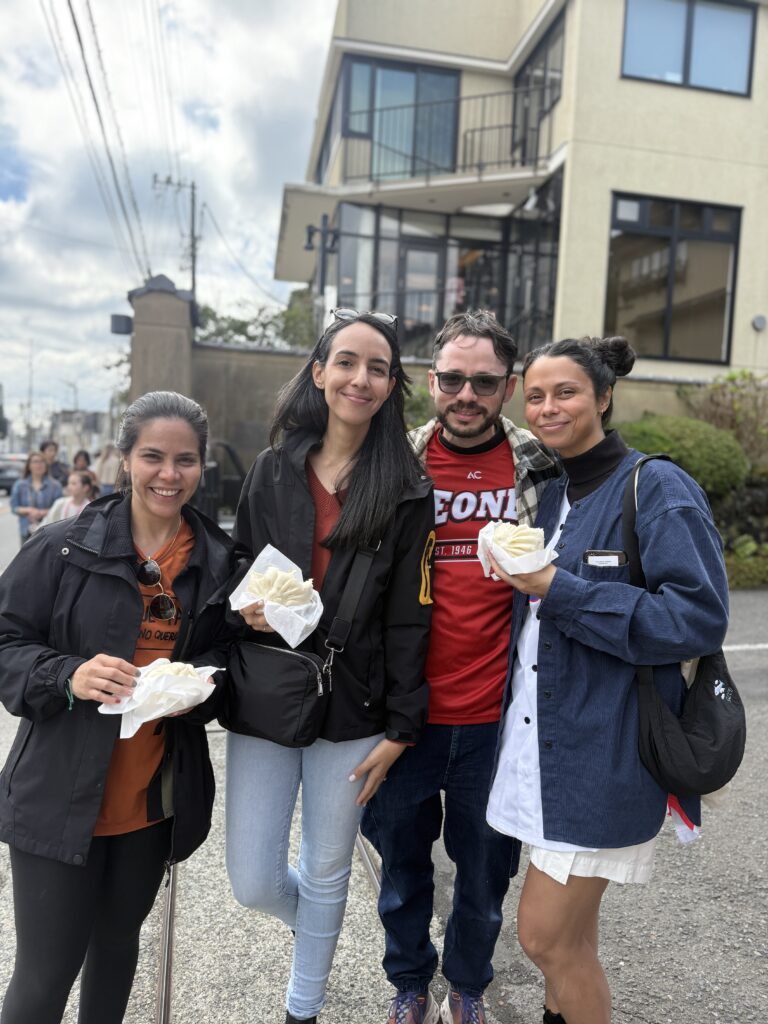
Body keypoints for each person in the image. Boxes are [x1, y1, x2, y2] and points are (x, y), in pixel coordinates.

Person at [485, 337, 729, 1024]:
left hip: (607, 756)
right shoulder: (556, 495)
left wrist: (555, 589)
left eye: (565, 392)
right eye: (535, 395)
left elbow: (697, 619)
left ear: (603, 395)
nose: (548, 406)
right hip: (543, 752)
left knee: (541, 935)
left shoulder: (656, 487)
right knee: (570, 940)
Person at [225, 308, 435, 1024]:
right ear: (319, 373)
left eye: (378, 367)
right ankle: (315, 926)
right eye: (347, 362)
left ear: (390, 385)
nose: (361, 378)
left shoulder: (406, 488)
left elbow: (411, 616)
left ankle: (302, 1005)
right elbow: (239, 574)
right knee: (253, 879)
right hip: (269, 693)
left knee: (326, 868)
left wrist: (405, 726)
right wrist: (240, 611)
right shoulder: (272, 470)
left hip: (356, 704)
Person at [0, 391, 235, 1024]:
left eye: (185, 460)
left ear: (202, 467)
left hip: (150, 808)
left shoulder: (216, 566)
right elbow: (6, 645)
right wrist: (67, 673)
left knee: (116, 955)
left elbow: (225, 669)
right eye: (153, 456)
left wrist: (208, 681)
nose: (168, 474)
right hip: (57, 800)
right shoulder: (62, 548)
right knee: (44, 976)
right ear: (124, 458)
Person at [361, 310, 561, 1024]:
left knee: (484, 876)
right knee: (402, 868)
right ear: (430, 381)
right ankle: (410, 981)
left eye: (483, 382)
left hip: (496, 721)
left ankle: (467, 987)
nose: (466, 395)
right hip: (405, 716)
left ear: (507, 386)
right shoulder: (395, 461)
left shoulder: (542, 464)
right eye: (452, 379)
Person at [9, 450, 63, 543]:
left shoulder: (55, 485)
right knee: (26, 557)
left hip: (49, 531)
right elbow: (14, 507)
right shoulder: (20, 485)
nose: (39, 465)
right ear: (29, 465)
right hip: (26, 530)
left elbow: (59, 508)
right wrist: (29, 510)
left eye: (42, 461)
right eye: (35, 462)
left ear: (46, 465)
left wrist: (41, 513)